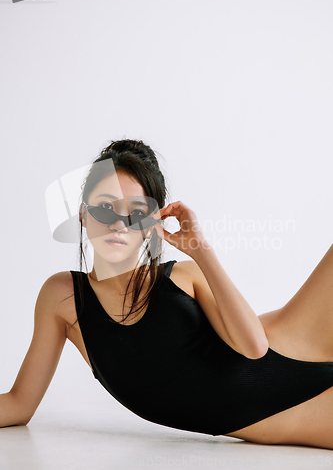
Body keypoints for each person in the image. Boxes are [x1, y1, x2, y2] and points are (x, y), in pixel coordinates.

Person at [1, 138, 333, 450]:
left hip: (299, 340)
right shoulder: (64, 298)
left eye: (136, 213)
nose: (119, 223)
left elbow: (255, 347)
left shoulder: (184, 276)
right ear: (83, 215)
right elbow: (19, 404)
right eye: (105, 208)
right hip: (292, 419)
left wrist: (200, 250)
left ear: (154, 222)